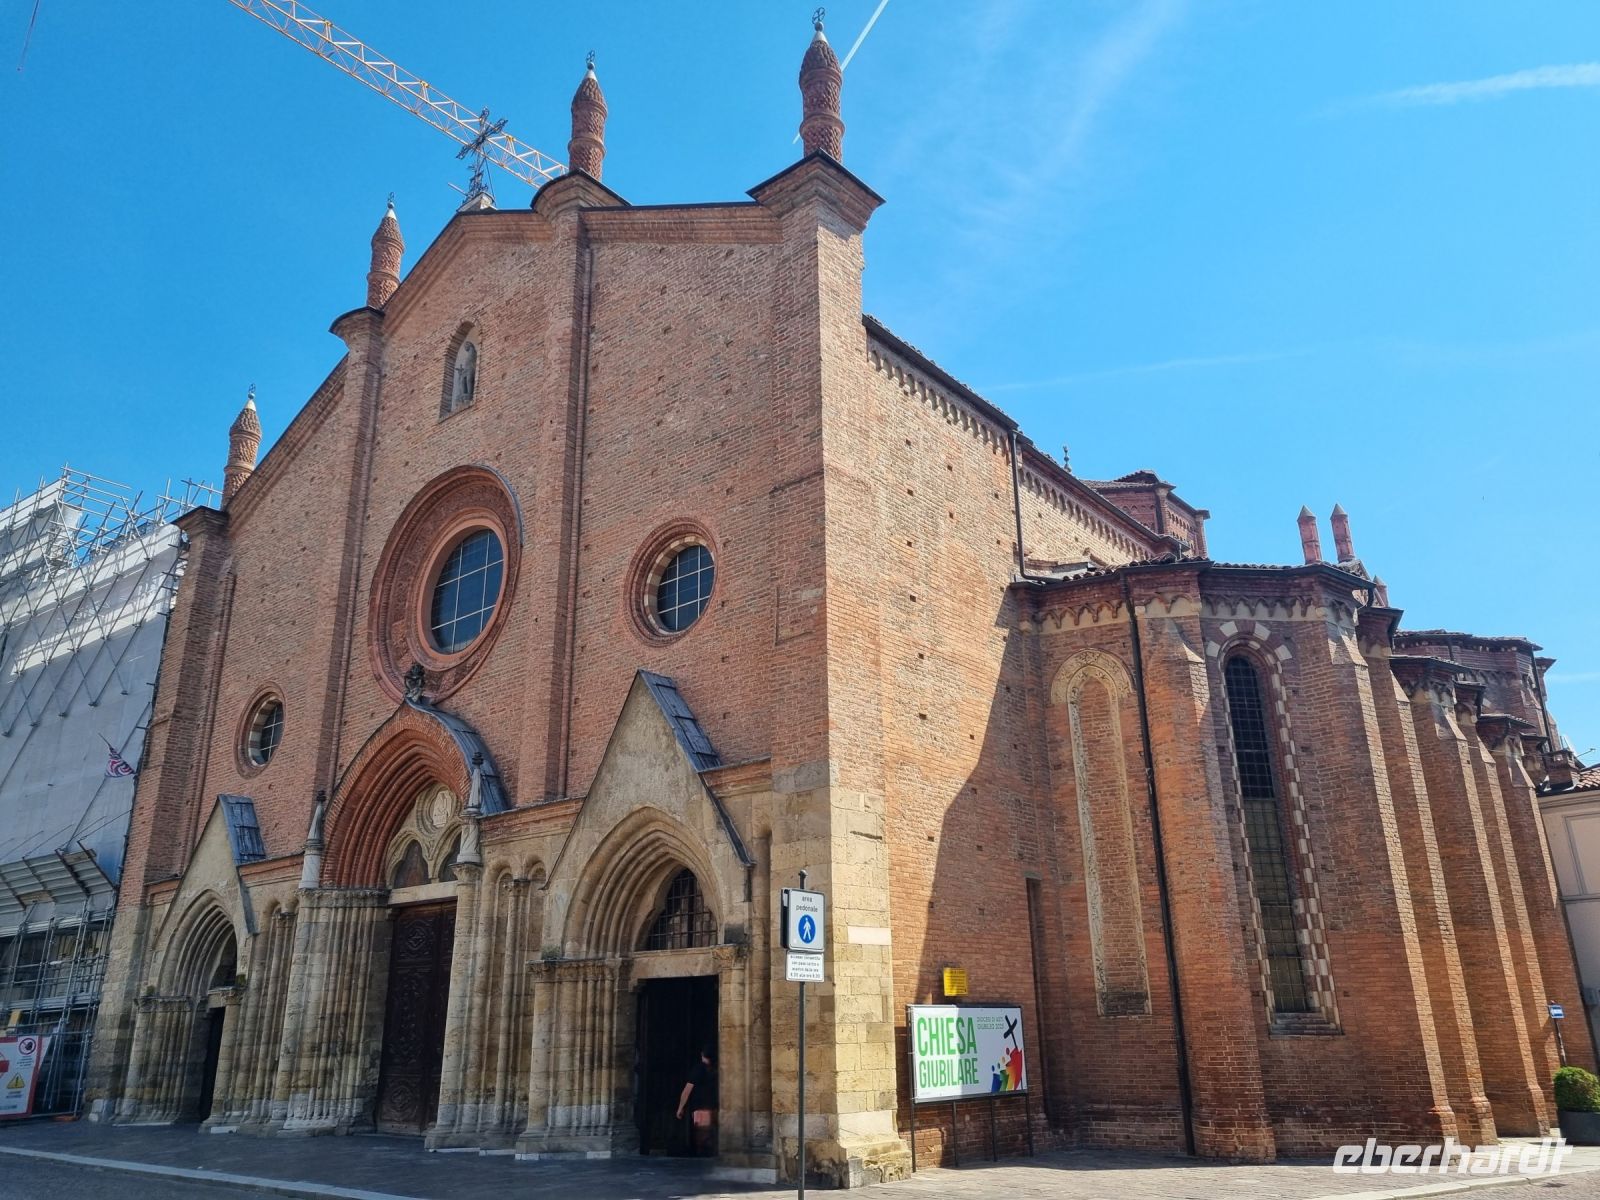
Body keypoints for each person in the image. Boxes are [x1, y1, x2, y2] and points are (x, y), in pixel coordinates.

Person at [675, 1044, 717, 1155]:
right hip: (714, 1107)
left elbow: (687, 1091)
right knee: (711, 1134)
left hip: (701, 1107)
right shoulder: (716, 1069)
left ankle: (703, 1158)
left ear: (702, 1054)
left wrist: (680, 1107)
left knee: (702, 1136)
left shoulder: (698, 1069)